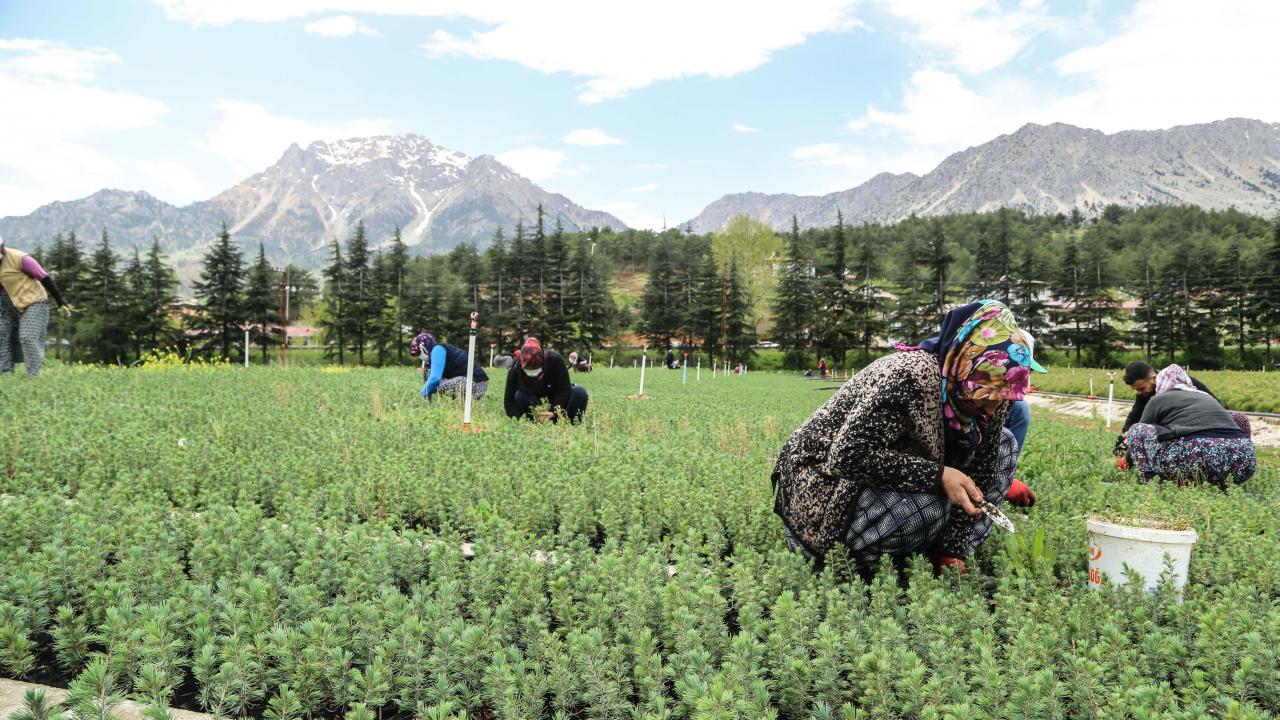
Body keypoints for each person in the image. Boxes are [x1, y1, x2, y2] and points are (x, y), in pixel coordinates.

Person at [772, 300, 1045, 574]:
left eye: (1001, 399)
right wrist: (939, 476)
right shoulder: (909, 377)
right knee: (930, 508)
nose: (992, 408)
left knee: (1004, 445)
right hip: (825, 487)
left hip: (884, 475)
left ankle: (942, 552)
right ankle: (850, 561)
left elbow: (982, 470)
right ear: (964, 366)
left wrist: (953, 550)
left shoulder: (996, 388)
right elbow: (847, 456)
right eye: (983, 395)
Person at [1124, 364, 1255, 487]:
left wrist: (1125, 461)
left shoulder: (1157, 399)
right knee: (1238, 416)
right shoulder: (1205, 396)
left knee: (1136, 430)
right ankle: (1224, 483)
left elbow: (1140, 432)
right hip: (1244, 463)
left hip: (1199, 458)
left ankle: (1152, 484)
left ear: (1160, 382)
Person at [0, 234, 72, 376]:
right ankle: (6, 372)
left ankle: (33, 375)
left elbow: (44, 277)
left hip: (33, 302)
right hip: (5, 303)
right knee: (1, 334)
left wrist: (60, 300)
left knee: (28, 336)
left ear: (2, 248)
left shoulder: (21, 259)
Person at [505, 337, 589, 424]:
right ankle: (533, 423)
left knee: (580, 392)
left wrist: (553, 411)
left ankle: (570, 423)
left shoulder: (555, 360)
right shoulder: (516, 366)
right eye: (528, 369)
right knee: (519, 395)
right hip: (533, 400)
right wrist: (518, 421)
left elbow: (564, 389)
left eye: (536, 369)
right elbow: (508, 399)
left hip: (556, 399)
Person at [1121, 360, 1214, 433]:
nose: (1139, 393)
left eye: (1141, 388)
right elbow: (1133, 419)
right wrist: (1128, 433)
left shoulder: (1186, 384)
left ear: (1153, 378)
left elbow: (1215, 404)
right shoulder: (1144, 394)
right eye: (1136, 390)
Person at [409, 331, 489, 401]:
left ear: (424, 347)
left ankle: (457, 401)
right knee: (428, 375)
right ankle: (453, 402)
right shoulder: (436, 351)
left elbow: (435, 378)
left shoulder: (437, 350)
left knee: (437, 384)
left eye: (418, 353)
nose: (418, 356)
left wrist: (421, 394)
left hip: (475, 383)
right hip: (473, 382)